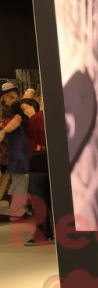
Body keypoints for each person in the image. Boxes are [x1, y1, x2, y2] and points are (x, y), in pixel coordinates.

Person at [20, 97, 53, 244]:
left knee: (39, 200)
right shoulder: (46, 118)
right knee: (50, 201)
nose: (23, 111)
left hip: (37, 165)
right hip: (49, 165)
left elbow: (29, 145)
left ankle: (43, 233)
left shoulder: (33, 121)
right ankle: (49, 232)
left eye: (24, 108)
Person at [0, 81, 30, 222]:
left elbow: (17, 121)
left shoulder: (13, 110)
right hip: (14, 153)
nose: (14, 99)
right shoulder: (9, 111)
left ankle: (17, 210)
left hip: (14, 153)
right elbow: (16, 120)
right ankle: (17, 211)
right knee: (18, 180)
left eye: (15, 96)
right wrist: (4, 131)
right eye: (10, 97)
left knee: (16, 180)